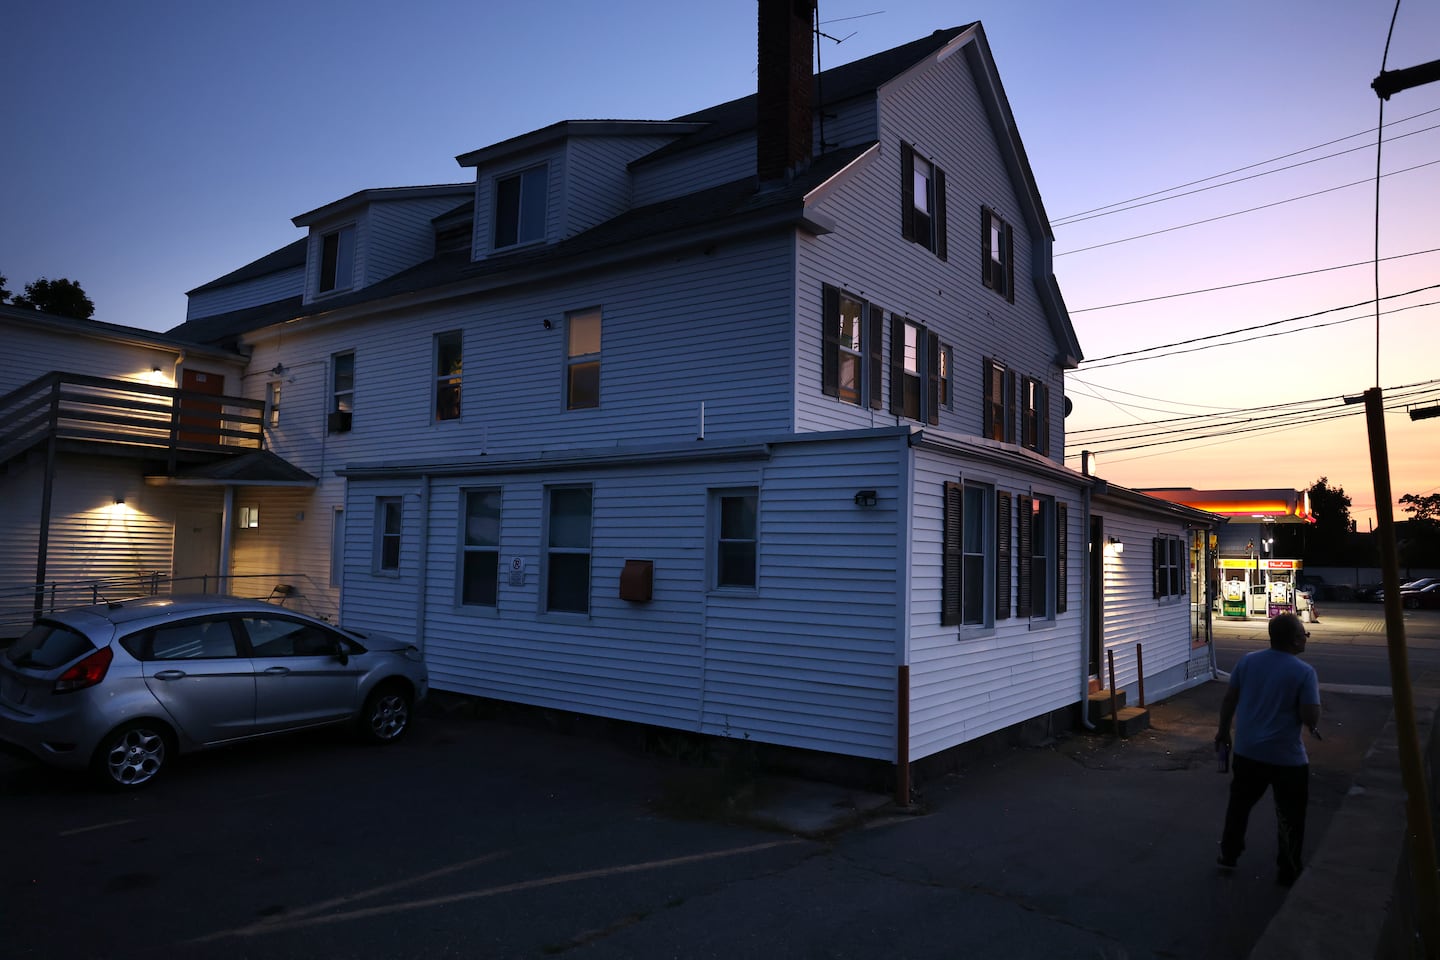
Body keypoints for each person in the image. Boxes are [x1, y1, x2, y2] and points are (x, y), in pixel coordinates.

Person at [1214, 612, 1321, 885]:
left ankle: (1229, 853)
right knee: (1290, 814)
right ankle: (1288, 867)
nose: (1306, 638)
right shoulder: (1304, 672)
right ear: (1295, 640)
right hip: (1287, 758)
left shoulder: (1248, 662)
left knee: (1239, 805)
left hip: (1248, 751)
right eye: (1303, 634)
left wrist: (1223, 731)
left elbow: (1230, 699)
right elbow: (1310, 718)